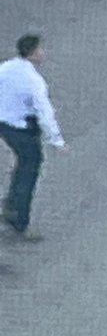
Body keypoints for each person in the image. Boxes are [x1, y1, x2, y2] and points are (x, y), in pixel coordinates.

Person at [0, 34, 66, 237]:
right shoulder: (34, 81)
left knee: (23, 162)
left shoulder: (6, 68)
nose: (43, 53)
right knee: (30, 166)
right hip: (21, 127)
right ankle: (19, 219)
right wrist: (56, 140)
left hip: (4, 124)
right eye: (40, 49)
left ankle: (10, 205)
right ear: (33, 52)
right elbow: (45, 113)